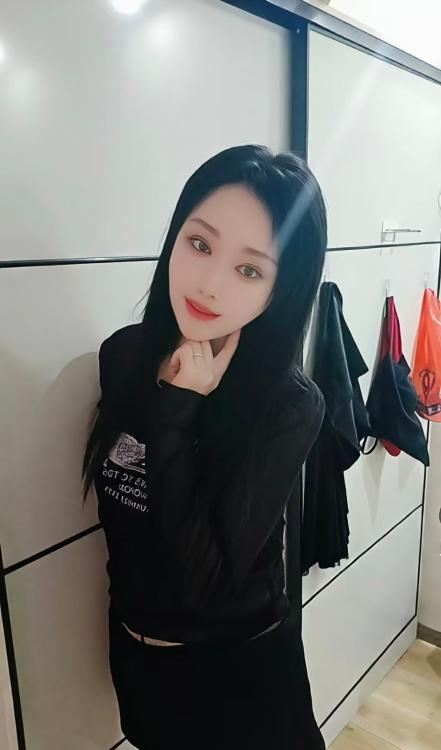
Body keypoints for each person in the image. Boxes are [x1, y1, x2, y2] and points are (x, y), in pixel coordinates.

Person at [82, 144, 328, 749]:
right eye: (199, 243)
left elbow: (202, 585)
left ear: (280, 289)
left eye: (250, 270)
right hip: (141, 666)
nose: (210, 285)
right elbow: (129, 527)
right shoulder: (123, 356)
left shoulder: (288, 404)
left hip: (241, 681)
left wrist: (177, 408)